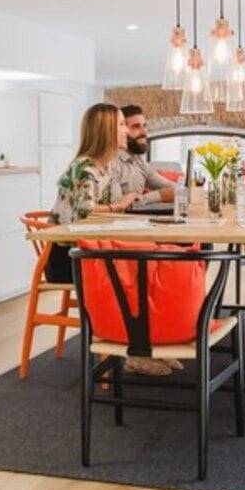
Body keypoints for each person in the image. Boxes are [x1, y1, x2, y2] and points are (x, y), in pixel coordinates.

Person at [46, 102, 177, 377]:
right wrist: (117, 207)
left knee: (149, 267)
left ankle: (148, 346)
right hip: (68, 258)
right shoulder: (85, 168)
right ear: (107, 131)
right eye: (120, 125)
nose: (125, 131)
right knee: (140, 272)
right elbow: (84, 211)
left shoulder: (103, 168)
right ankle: (135, 353)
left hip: (91, 250)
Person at [114, 104, 175, 206]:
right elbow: (117, 205)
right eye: (136, 127)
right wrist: (158, 196)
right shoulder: (112, 162)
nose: (144, 132)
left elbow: (172, 187)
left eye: (144, 126)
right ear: (122, 130)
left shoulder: (139, 161)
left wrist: (181, 189)